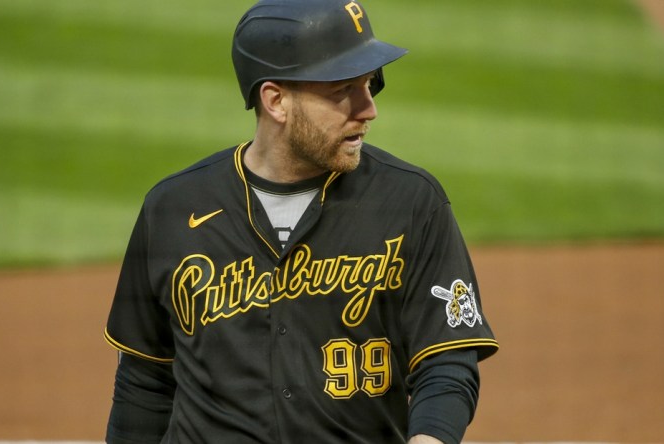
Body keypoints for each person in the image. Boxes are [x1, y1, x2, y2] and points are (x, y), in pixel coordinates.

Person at [103, 0, 498, 442]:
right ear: (276, 101)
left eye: (369, 85)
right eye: (341, 90)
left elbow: (447, 363)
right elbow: (145, 379)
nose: (368, 110)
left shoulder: (410, 202)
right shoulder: (173, 209)